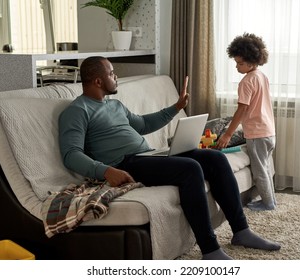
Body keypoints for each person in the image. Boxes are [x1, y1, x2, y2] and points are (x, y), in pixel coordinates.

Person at [58, 56, 281, 260]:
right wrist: (106, 171)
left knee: (215, 159)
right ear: (98, 81)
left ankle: (241, 231)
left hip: (148, 155)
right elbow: (71, 154)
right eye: (111, 73)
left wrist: (176, 107)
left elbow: (144, 125)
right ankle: (210, 249)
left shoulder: (114, 105)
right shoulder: (78, 111)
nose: (116, 77)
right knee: (190, 168)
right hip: (124, 163)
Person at [216, 33, 276, 211]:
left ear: (252, 61)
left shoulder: (246, 82)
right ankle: (270, 200)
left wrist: (227, 134)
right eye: (236, 63)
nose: (237, 66)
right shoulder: (261, 76)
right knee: (265, 167)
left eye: (240, 63)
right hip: (269, 131)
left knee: (259, 171)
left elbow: (241, 110)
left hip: (257, 133)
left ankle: (268, 203)